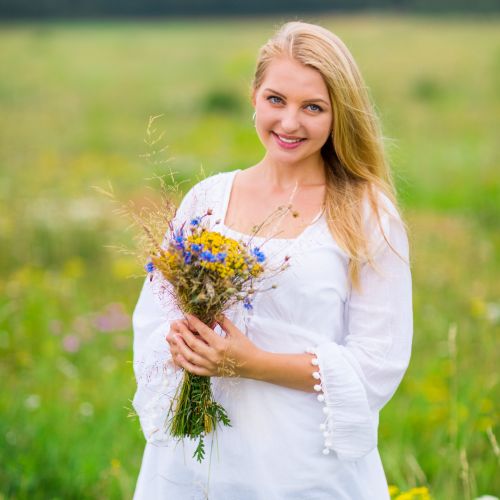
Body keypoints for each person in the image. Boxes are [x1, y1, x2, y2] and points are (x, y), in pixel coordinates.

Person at [132, 20, 413, 500]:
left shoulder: (367, 214)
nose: (289, 123)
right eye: (276, 100)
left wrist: (251, 363)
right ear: (254, 97)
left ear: (339, 114)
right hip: (198, 457)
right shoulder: (206, 200)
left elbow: (377, 363)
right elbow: (154, 316)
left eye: (313, 108)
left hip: (305, 468)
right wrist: (180, 342)